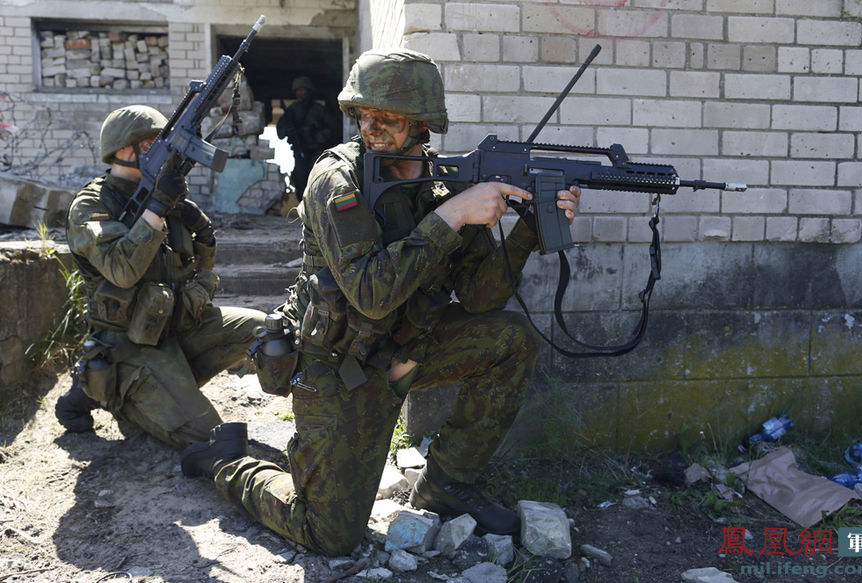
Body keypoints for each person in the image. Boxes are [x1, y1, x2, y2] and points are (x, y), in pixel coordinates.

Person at [180, 49, 581, 556]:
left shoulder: (440, 184)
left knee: (511, 339)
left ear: (422, 124)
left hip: (406, 351)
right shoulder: (336, 179)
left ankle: (445, 484)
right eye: (362, 115)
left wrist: (528, 226)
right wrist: (453, 216)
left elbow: (482, 297)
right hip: (339, 366)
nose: (370, 128)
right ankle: (229, 461)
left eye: (386, 118)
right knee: (328, 535)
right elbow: (370, 295)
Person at [55, 104, 267, 449]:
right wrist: (155, 210)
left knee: (264, 331)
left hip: (176, 329)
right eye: (150, 143)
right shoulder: (92, 206)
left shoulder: (163, 197)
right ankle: (100, 388)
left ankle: (161, 389)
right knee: (212, 438)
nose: (162, 150)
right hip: (131, 347)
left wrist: (203, 232)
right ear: (123, 150)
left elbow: (196, 271)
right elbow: (122, 272)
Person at [276, 76, 338, 196]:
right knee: (299, 178)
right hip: (300, 151)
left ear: (309, 91)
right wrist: (288, 130)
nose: (300, 93)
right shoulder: (292, 110)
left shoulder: (319, 110)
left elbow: (333, 128)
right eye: (298, 90)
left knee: (317, 177)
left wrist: (320, 136)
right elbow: (280, 132)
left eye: (303, 90)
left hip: (316, 150)